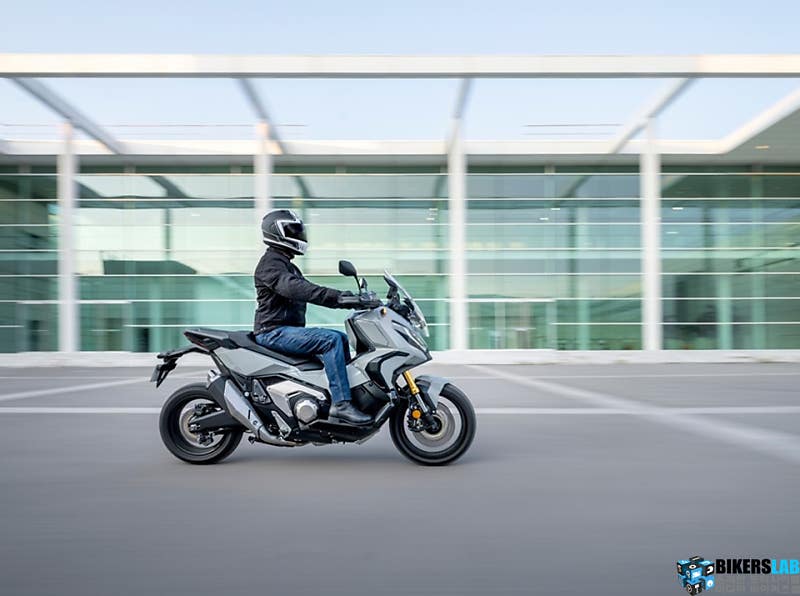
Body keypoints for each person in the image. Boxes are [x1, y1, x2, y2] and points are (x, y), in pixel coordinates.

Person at [253, 209, 376, 426]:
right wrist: (340, 298)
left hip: (285, 330)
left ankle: (344, 394)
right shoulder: (271, 265)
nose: (299, 235)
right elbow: (297, 289)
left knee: (340, 338)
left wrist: (353, 299)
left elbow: (307, 289)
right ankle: (341, 405)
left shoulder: (286, 264)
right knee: (331, 340)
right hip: (272, 332)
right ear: (277, 233)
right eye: (293, 230)